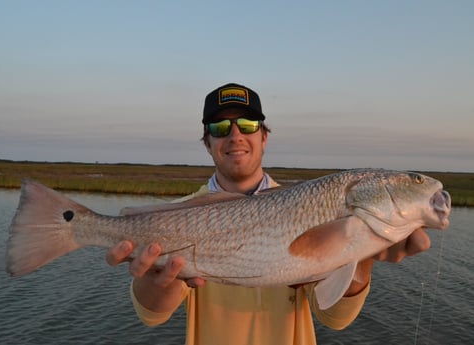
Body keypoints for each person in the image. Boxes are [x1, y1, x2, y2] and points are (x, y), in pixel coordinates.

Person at [105, 83, 432, 345]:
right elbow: (152, 317)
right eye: (220, 127)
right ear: (207, 143)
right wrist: (157, 280)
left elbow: (335, 319)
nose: (235, 135)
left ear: (263, 137)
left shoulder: (314, 205)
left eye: (247, 125)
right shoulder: (178, 214)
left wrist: (361, 256)